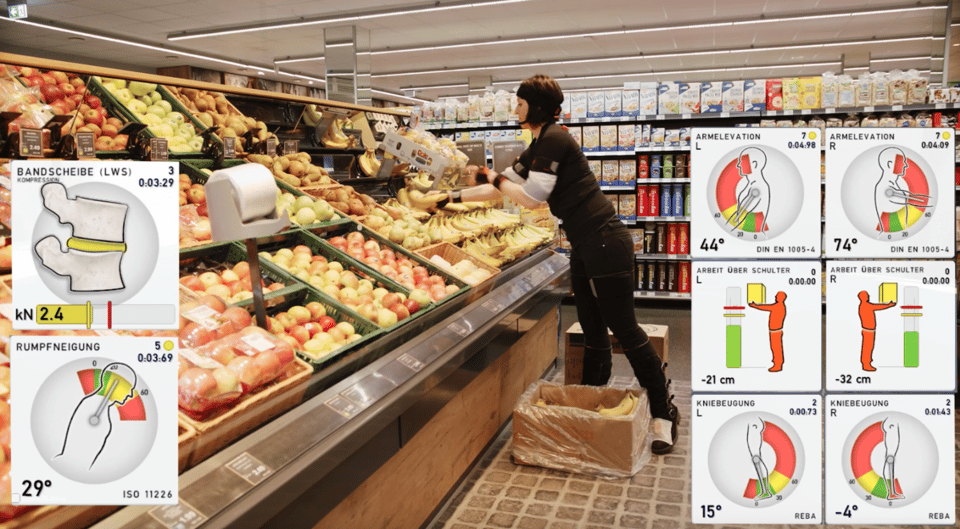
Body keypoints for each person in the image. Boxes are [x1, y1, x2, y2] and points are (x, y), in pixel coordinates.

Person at [424, 74, 679, 454]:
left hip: (606, 243)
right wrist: (448, 197)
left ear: (538, 106)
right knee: (593, 334)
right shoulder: (540, 143)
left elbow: (531, 198)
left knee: (625, 330)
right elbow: (499, 186)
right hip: (585, 245)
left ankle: (663, 413)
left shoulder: (556, 138)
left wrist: (491, 176)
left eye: (521, 103)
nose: (515, 109)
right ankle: (589, 405)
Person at [856, 290, 895, 371]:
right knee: (868, 347)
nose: (868, 296)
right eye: (867, 295)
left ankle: (867, 360)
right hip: (868, 331)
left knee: (868, 347)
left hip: (869, 330)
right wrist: (889, 305)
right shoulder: (866, 305)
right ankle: (866, 364)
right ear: (863, 297)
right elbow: (878, 306)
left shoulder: (863, 305)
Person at [749, 291, 787, 372]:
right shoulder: (780, 306)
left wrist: (755, 306)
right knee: (775, 348)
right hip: (775, 331)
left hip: (775, 331)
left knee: (776, 348)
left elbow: (765, 307)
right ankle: (776, 361)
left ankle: (778, 364)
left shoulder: (778, 306)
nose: (775, 296)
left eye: (777, 295)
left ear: (780, 298)